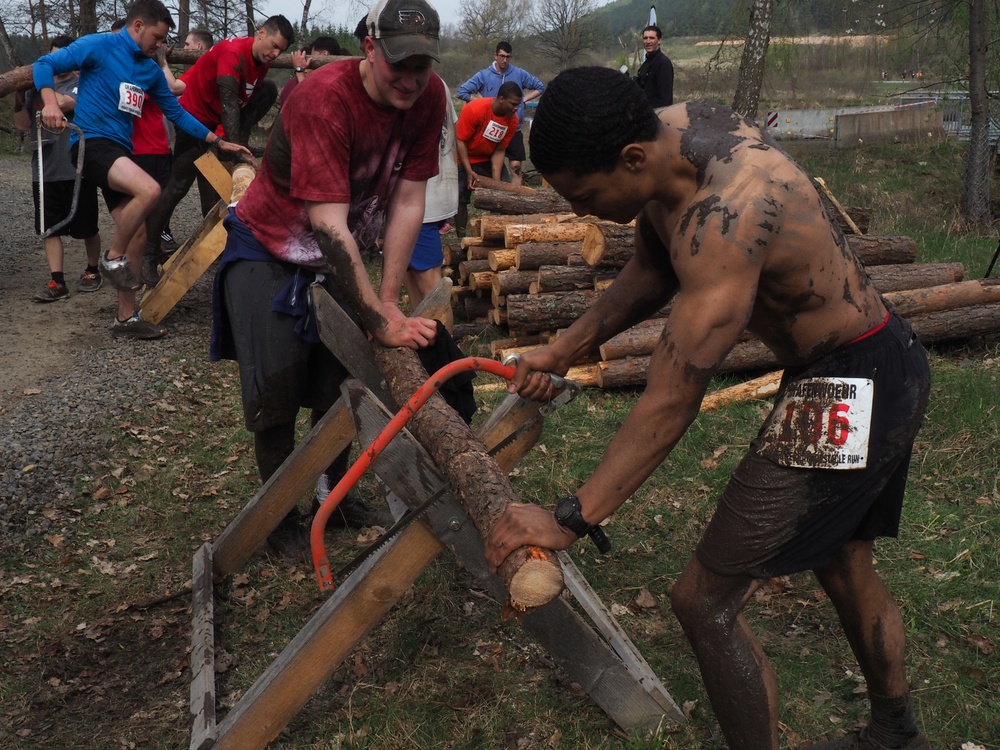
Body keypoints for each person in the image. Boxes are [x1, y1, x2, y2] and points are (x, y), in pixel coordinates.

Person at [484, 67, 931, 750]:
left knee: (703, 601)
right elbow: (657, 262)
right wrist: (564, 346)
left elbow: (670, 398)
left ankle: (888, 732)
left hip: (854, 379)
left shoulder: (733, 214)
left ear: (632, 160)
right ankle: (897, 733)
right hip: (858, 363)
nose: (578, 213)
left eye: (584, 195)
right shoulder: (676, 135)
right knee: (843, 560)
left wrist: (571, 515)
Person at [210, 0, 445, 554]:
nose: (411, 81)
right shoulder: (322, 97)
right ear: (370, 48)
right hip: (268, 246)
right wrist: (376, 317)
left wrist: (386, 301)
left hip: (333, 248)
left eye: (422, 67)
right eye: (400, 66)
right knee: (276, 387)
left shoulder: (429, 97)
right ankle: (278, 514)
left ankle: (330, 497)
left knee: (341, 380)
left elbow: (409, 200)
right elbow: (327, 223)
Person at [33, 0, 251, 339]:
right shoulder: (99, 45)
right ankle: (112, 257)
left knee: (140, 233)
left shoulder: (149, 70)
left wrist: (217, 140)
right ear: (137, 26)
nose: (161, 45)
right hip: (91, 143)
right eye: (158, 37)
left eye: (164, 40)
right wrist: (50, 103)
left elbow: (176, 113)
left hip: (120, 150)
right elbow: (45, 63)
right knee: (149, 190)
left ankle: (125, 318)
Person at [142, 15, 293, 285]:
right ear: (260, 33)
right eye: (273, 46)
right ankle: (148, 255)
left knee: (268, 89)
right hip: (193, 119)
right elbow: (229, 105)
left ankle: (224, 251)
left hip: (215, 121)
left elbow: (241, 103)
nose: (275, 53)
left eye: (281, 50)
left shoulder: (261, 61)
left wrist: (234, 142)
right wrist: (234, 150)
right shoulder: (233, 53)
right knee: (177, 185)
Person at [14, 35, 103, 303]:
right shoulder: (34, 90)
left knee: (87, 226)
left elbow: (66, 103)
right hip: (44, 169)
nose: (60, 62)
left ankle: (92, 269)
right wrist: (19, 92)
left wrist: (41, 84)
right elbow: (21, 125)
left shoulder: (82, 83)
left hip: (77, 167)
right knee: (49, 228)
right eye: (55, 57)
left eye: (65, 56)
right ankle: (58, 279)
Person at [404, 82, 459, 330]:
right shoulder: (439, 82)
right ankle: (427, 355)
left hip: (422, 201)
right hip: (428, 195)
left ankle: (449, 361)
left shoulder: (412, 83)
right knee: (409, 274)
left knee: (431, 286)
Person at [456, 41, 543, 186]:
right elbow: (462, 91)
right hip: (487, 126)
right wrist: (480, 102)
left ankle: (514, 197)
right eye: (502, 56)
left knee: (516, 167)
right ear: (495, 56)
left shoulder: (519, 73)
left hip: (512, 127)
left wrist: (523, 101)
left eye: (508, 57)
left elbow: (540, 87)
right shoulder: (483, 75)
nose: (505, 60)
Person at [454, 81, 522, 238]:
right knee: (460, 197)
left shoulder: (512, 120)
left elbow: (499, 150)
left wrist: (496, 182)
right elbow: (461, 141)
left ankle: (495, 233)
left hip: (487, 158)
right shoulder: (474, 109)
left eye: (518, 104)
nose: (516, 108)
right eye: (513, 104)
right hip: (465, 157)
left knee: (502, 194)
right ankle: (461, 236)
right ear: (501, 99)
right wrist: (469, 170)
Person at [280, 36, 344, 107]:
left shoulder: (327, 81)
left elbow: (307, 99)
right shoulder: (339, 78)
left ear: (324, 54)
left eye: (313, 55)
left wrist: (299, 70)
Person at [636, 24, 673, 109]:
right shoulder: (647, 63)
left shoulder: (663, 63)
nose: (648, 42)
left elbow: (665, 99)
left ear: (659, 41)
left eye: (652, 38)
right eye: (645, 38)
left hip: (656, 116)